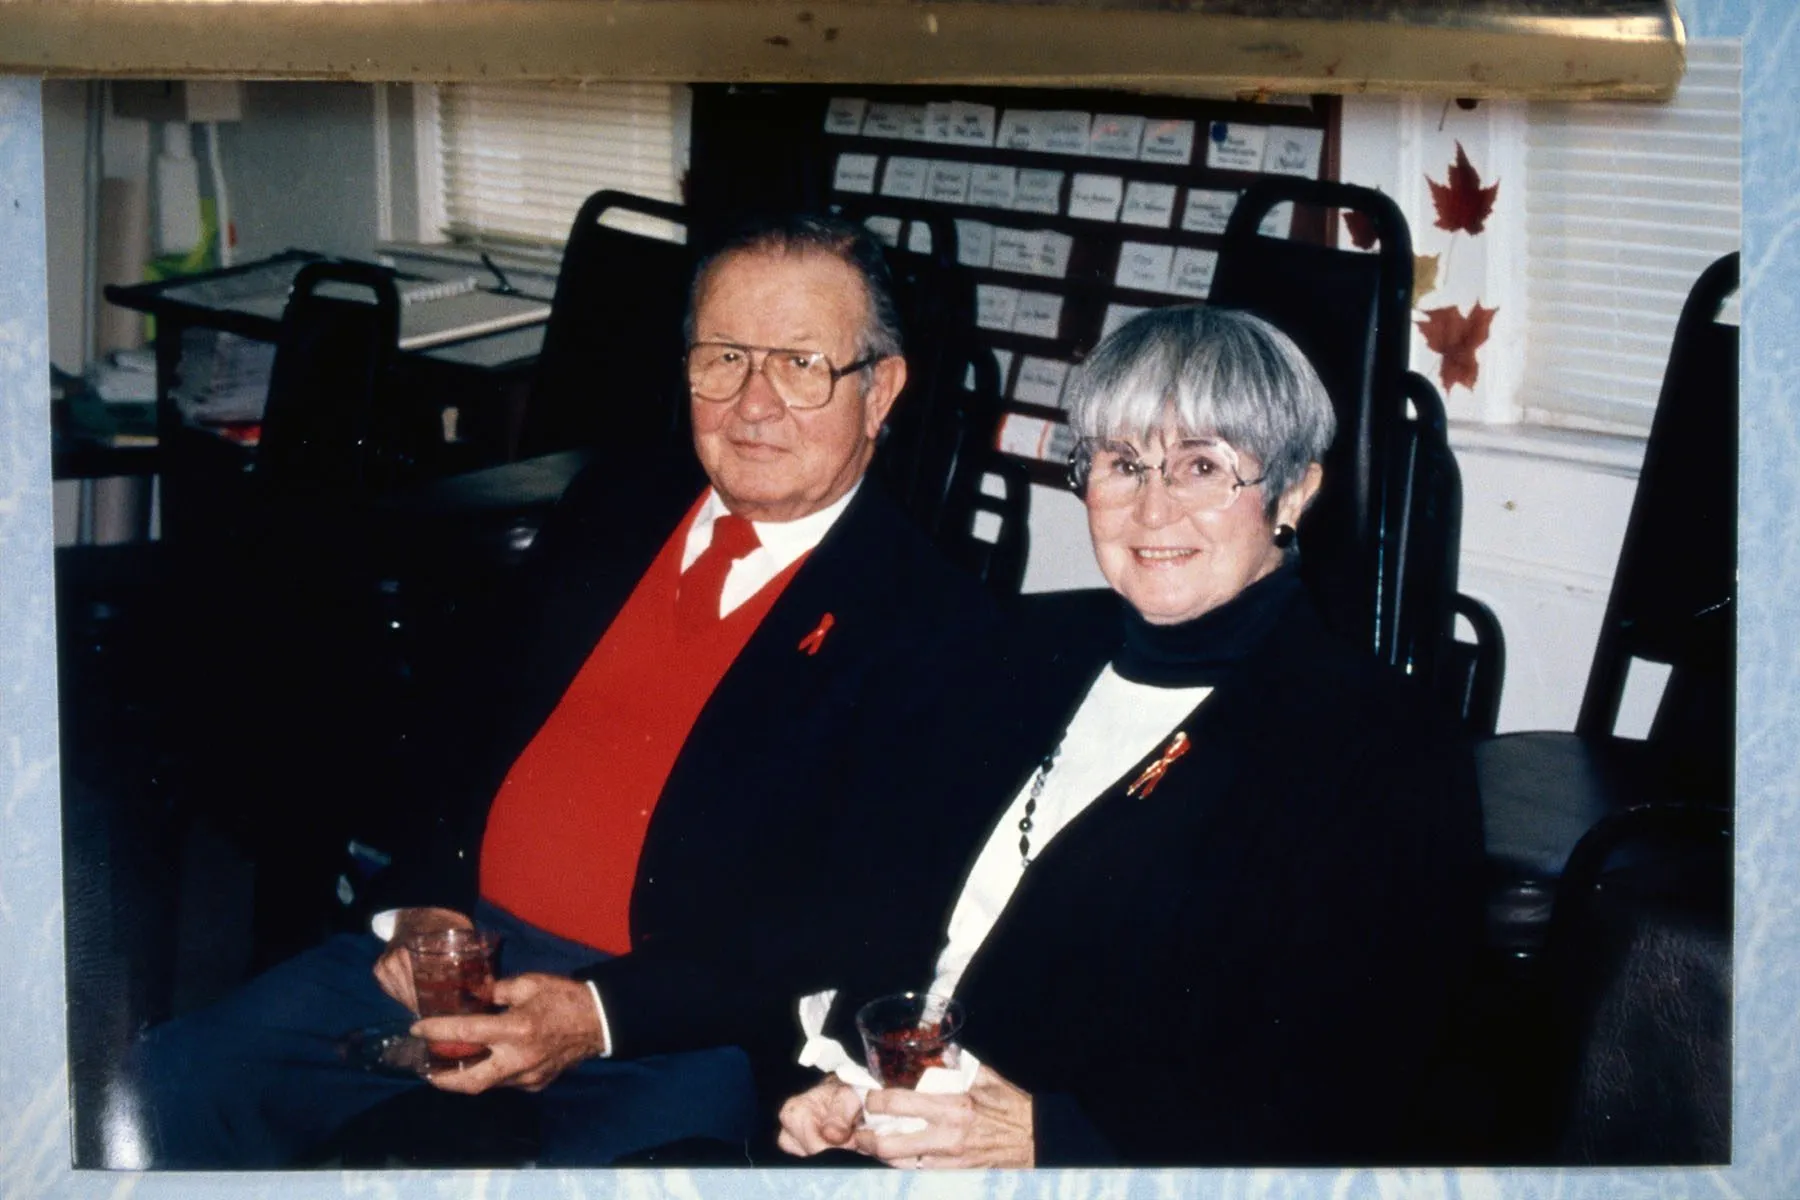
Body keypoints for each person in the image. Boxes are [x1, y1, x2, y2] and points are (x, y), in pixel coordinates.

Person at [133, 214, 996, 1167]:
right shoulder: (615, 506)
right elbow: (458, 732)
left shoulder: (936, 624)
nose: (753, 404)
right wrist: (423, 904)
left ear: (881, 390)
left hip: (676, 1024)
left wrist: (594, 1014)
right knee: (179, 1077)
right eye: (722, 357)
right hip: (463, 957)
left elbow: (863, 926)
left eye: (801, 365)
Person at [773, 305, 1485, 1167]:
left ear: (1293, 492)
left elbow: (1346, 1090)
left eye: (1200, 467)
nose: (1153, 509)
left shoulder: (1381, 748)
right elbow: (897, 901)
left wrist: (1053, 1138)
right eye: (1122, 464)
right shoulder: (1020, 648)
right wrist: (849, 1075)